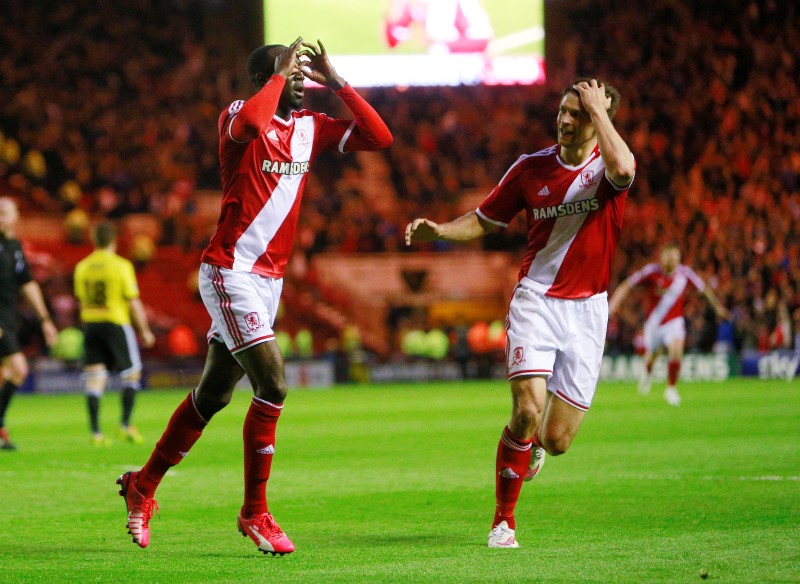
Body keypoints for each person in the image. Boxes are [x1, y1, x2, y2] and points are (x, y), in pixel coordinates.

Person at [115, 38, 392, 555]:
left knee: (214, 395)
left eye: (302, 75)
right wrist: (276, 73)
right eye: (292, 74)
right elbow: (247, 126)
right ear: (269, 77)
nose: (300, 83)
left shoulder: (311, 128)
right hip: (229, 270)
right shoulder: (240, 115)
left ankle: (143, 484)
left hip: (271, 281)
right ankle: (255, 512)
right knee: (275, 383)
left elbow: (380, 137)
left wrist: (338, 83)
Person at [406, 78, 635, 548]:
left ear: (600, 121)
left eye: (580, 113)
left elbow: (626, 169)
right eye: (564, 110)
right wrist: (441, 231)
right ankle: (503, 522)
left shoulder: (608, 168)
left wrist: (601, 110)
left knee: (556, 440)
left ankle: (532, 447)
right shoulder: (531, 169)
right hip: (537, 300)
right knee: (526, 411)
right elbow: (484, 218)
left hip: (589, 311)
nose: (566, 120)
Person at [608, 244, 731, 406]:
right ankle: (647, 370)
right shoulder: (651, 272)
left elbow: (704, 290)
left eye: (675, 258)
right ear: (662, 258)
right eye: (669, 257)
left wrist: (718, 307)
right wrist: (614, 304)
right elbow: (628, 284)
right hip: (654, 324)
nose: (673, 261)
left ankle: (671, 389)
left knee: (676, 350)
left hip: (675, 322)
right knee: (653, 354)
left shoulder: (684, 274)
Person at [73, 220, 156, 446]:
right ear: (113, 240)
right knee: (132, 373)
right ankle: (125, 425)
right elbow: (133, 301)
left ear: (93, 239)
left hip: (91, 324)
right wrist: (145, 330)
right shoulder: (121, 266)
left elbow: (80, 300)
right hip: (115, 323)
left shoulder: (82, 266)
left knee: (95, 379)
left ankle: (96, 433)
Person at [0, 197, 59, 450]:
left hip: (9, 318)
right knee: (18, 368)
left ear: (15, 217)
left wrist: (45, 320)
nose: (1, 217)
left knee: (5, 374)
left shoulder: (13, 246)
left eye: (4, 213)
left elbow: (28, 283)